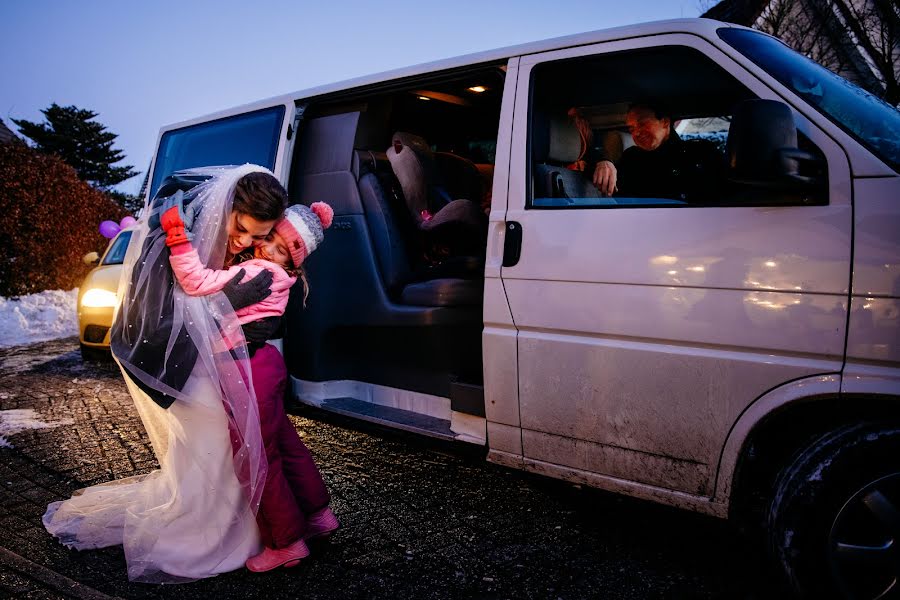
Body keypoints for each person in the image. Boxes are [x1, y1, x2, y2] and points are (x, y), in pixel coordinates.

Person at [42, 165, 293, 583]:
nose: (246, 243)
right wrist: (227, 299)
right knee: (212, 437)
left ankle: (231, 527)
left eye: (258, 237)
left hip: (209, 360)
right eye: (243, 229)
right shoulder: (174, 237)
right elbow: (163, 313)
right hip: (181, 361)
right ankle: (201, 538)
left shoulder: (229, 238)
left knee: (218, 443)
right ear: (227, 206)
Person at [160, 197, 339, 571]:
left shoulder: (259, 272)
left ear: (294, 260)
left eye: (282, 250)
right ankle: (318, 515)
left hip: (247, 370)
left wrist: (179, 236)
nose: (270, 251)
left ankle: (286, 542)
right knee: (286, 446)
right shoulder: (280, 275)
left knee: (258, 458)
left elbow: (196, 283)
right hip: (265, 363)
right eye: (270, 239)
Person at [592, 102, 724, 202]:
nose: (636, 133)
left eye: (642, 123)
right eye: (631, 128)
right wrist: (604, 161)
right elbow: (607, 188)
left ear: (665, 122)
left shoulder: (702, 152)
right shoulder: (631, 159)